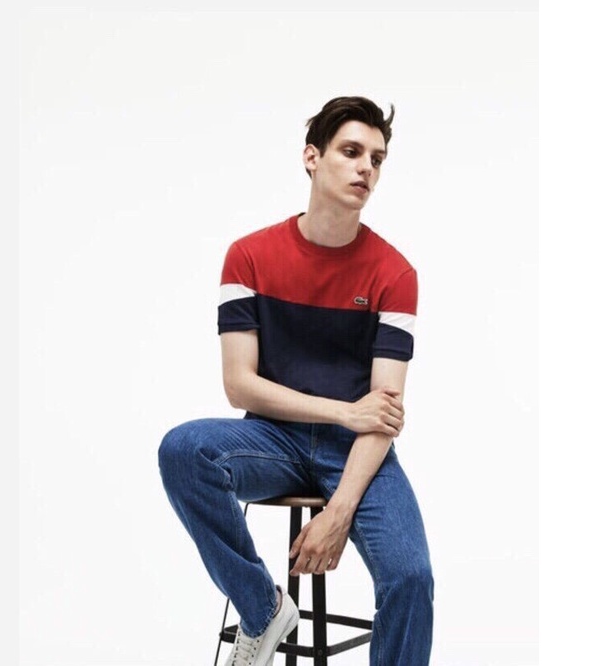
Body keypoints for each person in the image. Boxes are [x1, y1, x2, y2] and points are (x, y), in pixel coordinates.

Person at [158, 96, 434, 666]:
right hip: (271, 440)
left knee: (411, 578)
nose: (366, 168)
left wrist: (338, 512)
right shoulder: (249, 256)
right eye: (351, 151)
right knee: (183, 450)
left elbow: (381, 417)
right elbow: (239, 386)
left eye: (377, 159)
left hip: (357, 451)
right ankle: (263, 608)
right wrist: (342, 410)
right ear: (312, 157)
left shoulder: (395, 273)